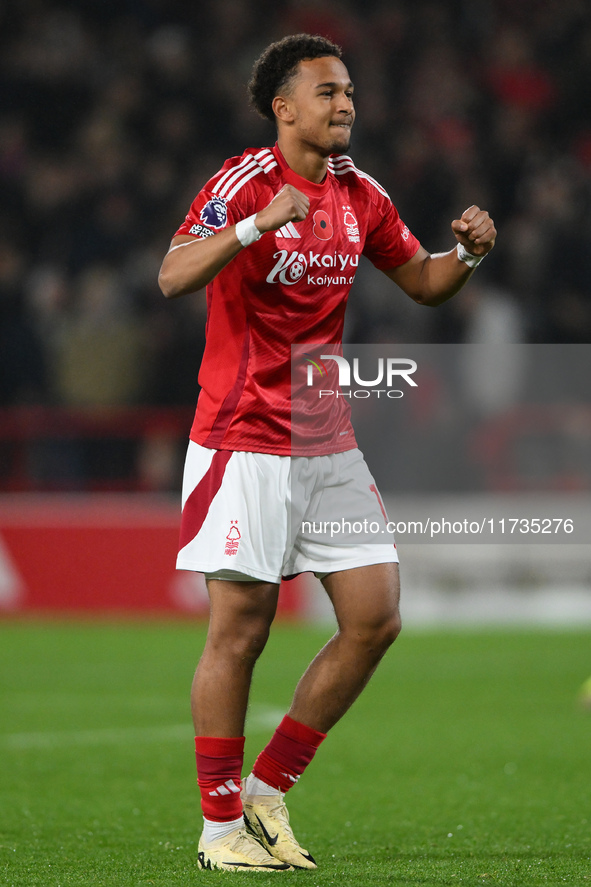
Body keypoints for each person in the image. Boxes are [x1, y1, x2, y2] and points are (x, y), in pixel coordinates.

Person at [158, 33, 496, 873]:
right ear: (283, 107)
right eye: (326, 92)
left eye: (347, 91)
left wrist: (467, 255)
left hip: (326, 440)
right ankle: (218, 827)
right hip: (243, 441)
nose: (344, 104)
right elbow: (171, 275)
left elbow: (420, 279)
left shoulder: (359, 193)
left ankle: (268, 789)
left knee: (375, 617)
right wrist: (250, 227)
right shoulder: (244, 183)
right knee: (241, 631)